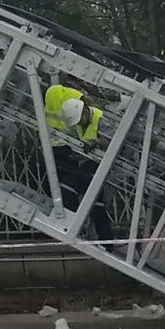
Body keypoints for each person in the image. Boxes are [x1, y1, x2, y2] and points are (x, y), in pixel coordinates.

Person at [43, 83, 113, 241]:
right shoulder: (83, 123)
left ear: (85, 111)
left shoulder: (98, 118)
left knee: (67, 189)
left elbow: (111, 137)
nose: (79, 125)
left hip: (102, 165)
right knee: (95, 203)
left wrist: (95, 142)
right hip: (93, 164)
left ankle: (76, 226)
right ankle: (105, 239)